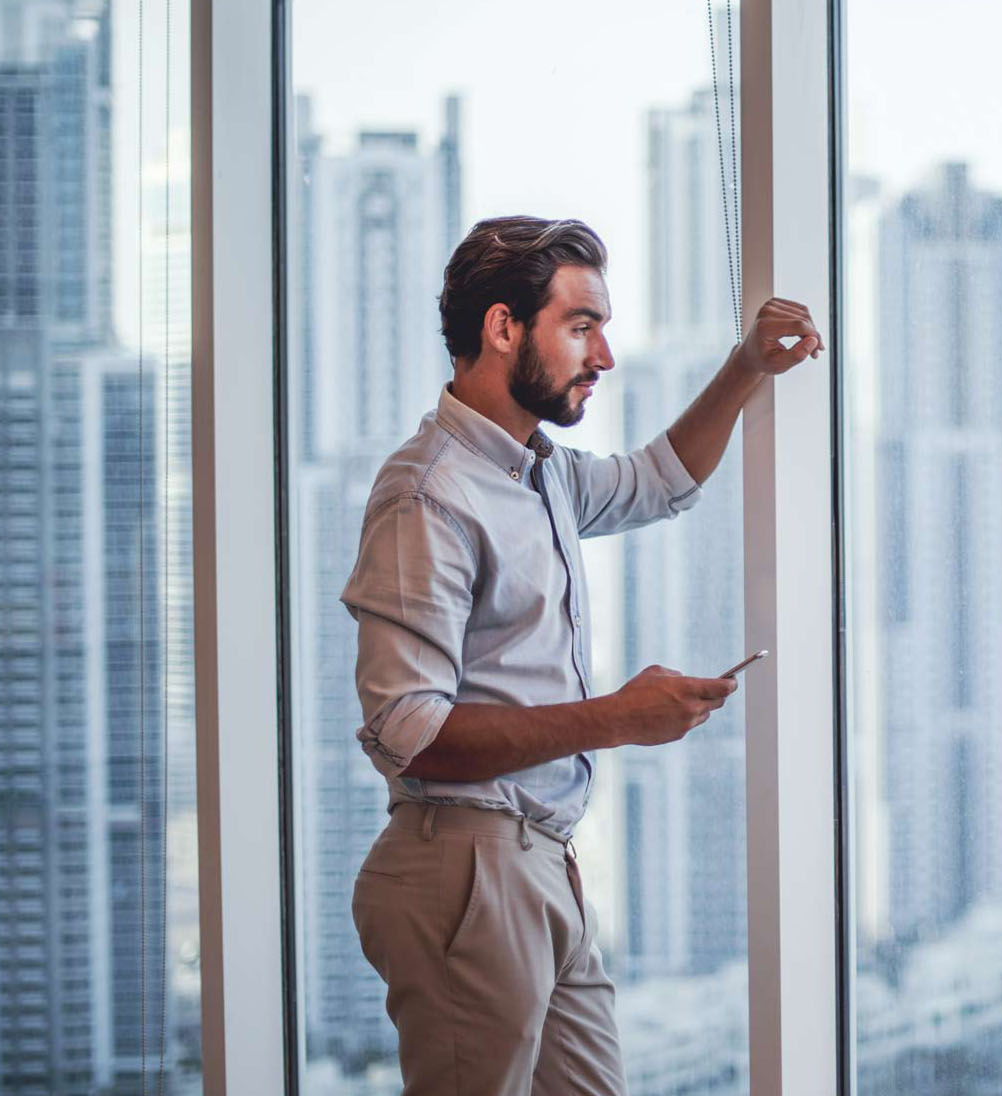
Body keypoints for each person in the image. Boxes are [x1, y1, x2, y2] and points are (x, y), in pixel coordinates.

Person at [341, 215, 823, 1094]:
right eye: (581, 325)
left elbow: (658, 481)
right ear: (502, 328)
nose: (603, 356)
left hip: (537, 862)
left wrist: (747, 366)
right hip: (466, 872)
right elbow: (409, 730)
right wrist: (615, 721)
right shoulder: (429, 495)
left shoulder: (540, 475)